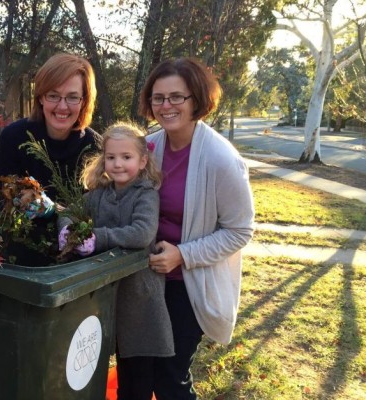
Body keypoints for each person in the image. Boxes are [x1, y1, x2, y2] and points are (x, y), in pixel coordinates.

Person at [137, 57, 255, 399]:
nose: (166, 105)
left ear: (197, 100)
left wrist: (183, 255)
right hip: (146, 278)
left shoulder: (221, 159)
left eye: (177, 97)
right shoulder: (149, 147)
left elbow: (240, 230)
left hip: (189, 283)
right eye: (158, 98)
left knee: (171, 377)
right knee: (141, 370)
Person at [58, 121, 175, 398]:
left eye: (126, 157)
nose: (118, 164)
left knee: (140, 364)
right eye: (111, 157)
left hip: (140, 293)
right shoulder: (99, 194)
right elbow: (71, 211)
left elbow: (142, 233)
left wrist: (97, 237)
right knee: (120, 358)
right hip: (110, 293)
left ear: (142, 160)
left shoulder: (145, 193)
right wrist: (66, 229)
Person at [0, 52, 102, 265]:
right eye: (53, 95)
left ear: (84, 101)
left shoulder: (95, 148)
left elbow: (93, 211)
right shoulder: (14, 137)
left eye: (72, 97)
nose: (62, 106)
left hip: (72, 251)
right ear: (41, 97)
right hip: (17, 247)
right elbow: (9, 194)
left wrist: (55, 210)